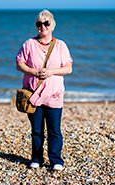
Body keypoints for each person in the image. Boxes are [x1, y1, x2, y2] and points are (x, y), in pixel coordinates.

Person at [16, 9, 73, 171]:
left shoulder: (60, 45)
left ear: (53, 26)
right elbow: (19, 64)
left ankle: (56, 160)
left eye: (46, 23)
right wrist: (34, 72)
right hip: (33, 94)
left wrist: (51, 71)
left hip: (53, 95)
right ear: (36, 26)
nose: (43, 26)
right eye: (39, 23)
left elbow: (68, 68)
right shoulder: (28, 44)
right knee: (36, 130)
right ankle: (36, 159)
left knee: (54, 130)